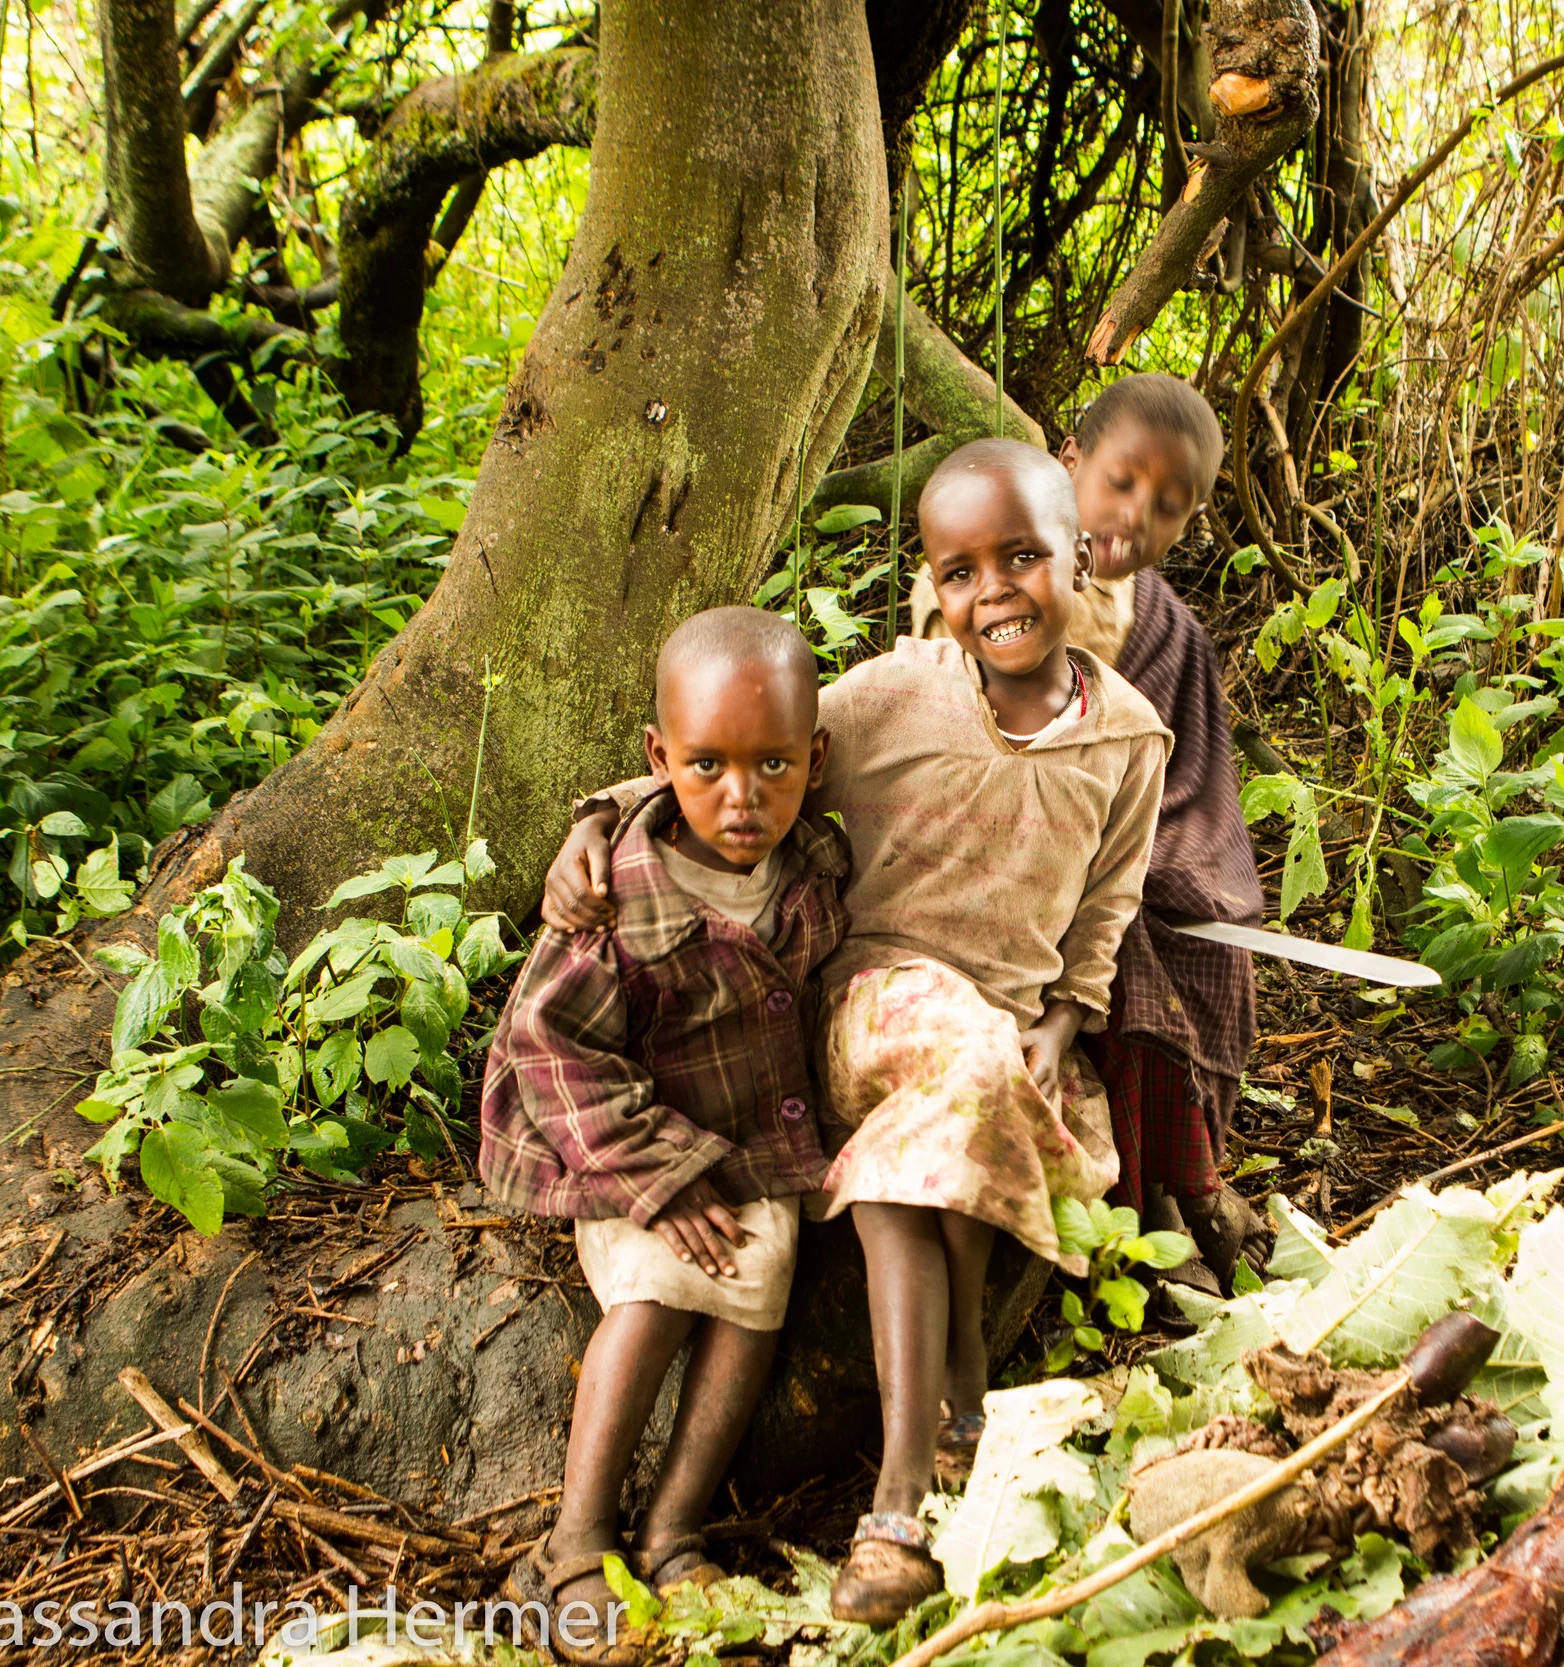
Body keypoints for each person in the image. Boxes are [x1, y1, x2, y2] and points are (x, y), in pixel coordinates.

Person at [545, 440, 1169, 1625]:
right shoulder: (894, 692)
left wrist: (1070, 1012)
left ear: (1078, 558)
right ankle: (915, 1473)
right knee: (955, 1060)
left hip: (994, 1037)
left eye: (1024, 558)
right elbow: (737, 753)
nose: (993, 593)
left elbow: (1108, 905)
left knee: (974, 1077)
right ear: (931, 585)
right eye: (959, 570)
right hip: (866, 1004)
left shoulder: (1128, 739)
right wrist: (598, 819)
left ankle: (942, 1443)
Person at [480, 607, 847, 1664]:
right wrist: (658, 1176)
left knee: (755, 1290)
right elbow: (546, 1044)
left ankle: (676, 1526)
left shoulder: (814, 861)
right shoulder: (612, 897)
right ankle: (577, 1537)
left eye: (774, 763)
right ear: (657, 761)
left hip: (746, 1143)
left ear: (815, 757)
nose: (743, 796)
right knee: (652, 1296)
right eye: (707, 766)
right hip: (609, 1141)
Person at [908, 374, 1261, 1289]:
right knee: (1112, 942)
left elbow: (1183, 788)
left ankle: (1185, 1191)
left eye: (1169, 507)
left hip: (1120, 853)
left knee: (1177, 934)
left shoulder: (1168, 629)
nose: (1136, 515)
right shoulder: (978, 580)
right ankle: (1147, 1213)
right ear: (1070, 462)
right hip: (993, 843)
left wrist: (1165, 868)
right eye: (1122, 482)